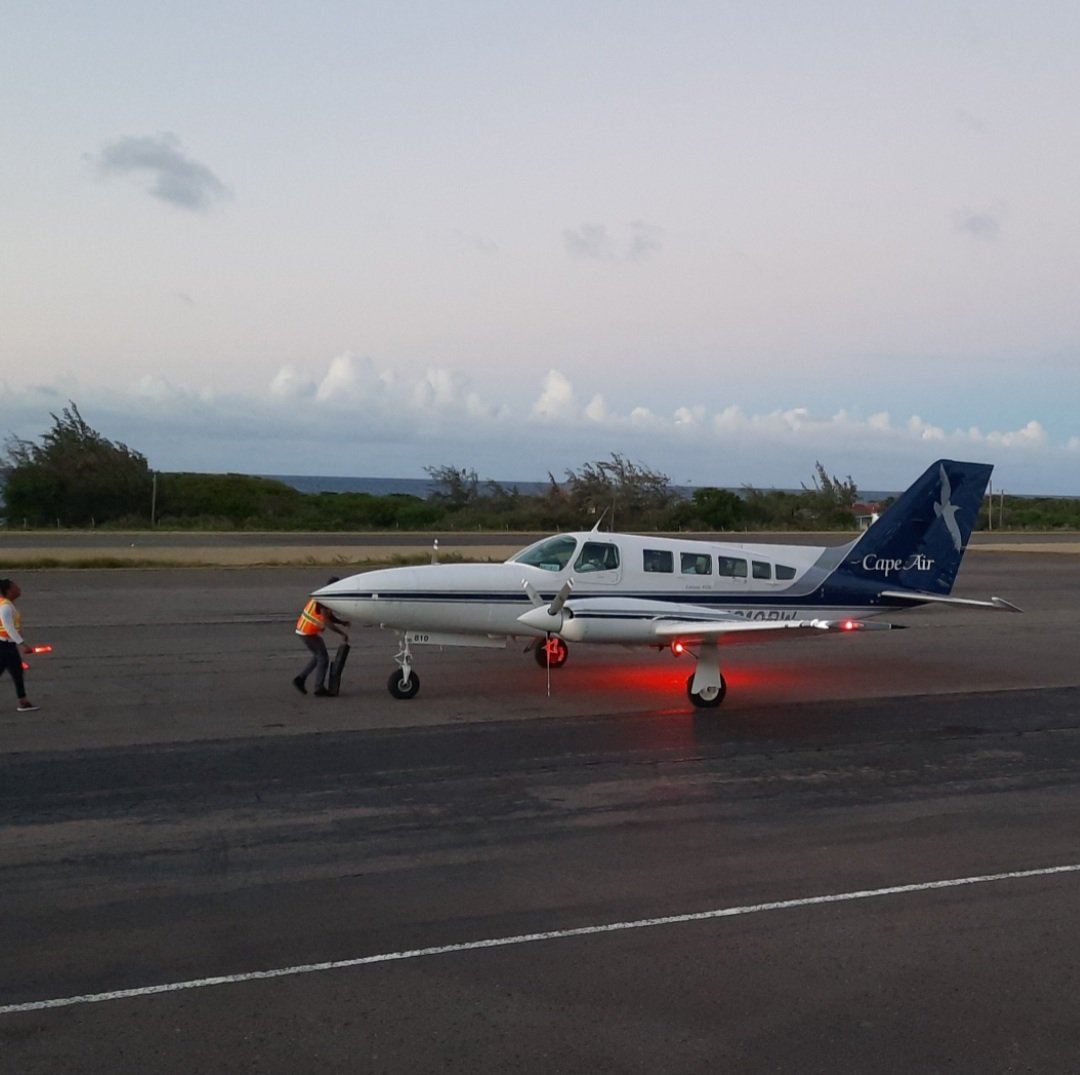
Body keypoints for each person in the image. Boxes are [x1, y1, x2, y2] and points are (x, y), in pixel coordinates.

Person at [293, 577, 350, 697]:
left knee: (318, 656)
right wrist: (341, 633)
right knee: (323, 658)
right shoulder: (323, 600)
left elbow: (329, 617)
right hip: (308, 633)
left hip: (304, 631)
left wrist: (341, 622)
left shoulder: (324, 596)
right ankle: (318, 688)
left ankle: (301, 679)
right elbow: (327, 622)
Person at [0, 579, 39, 712]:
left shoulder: (8, 605)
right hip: (4, 646)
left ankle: (24, 701)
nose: (18, 589)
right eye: (15, 587)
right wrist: (23, 644)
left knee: (17, 672)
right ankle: (23, 701)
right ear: (9, 590)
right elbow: (9, 628)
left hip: (8, 646)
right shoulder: (5, 606)